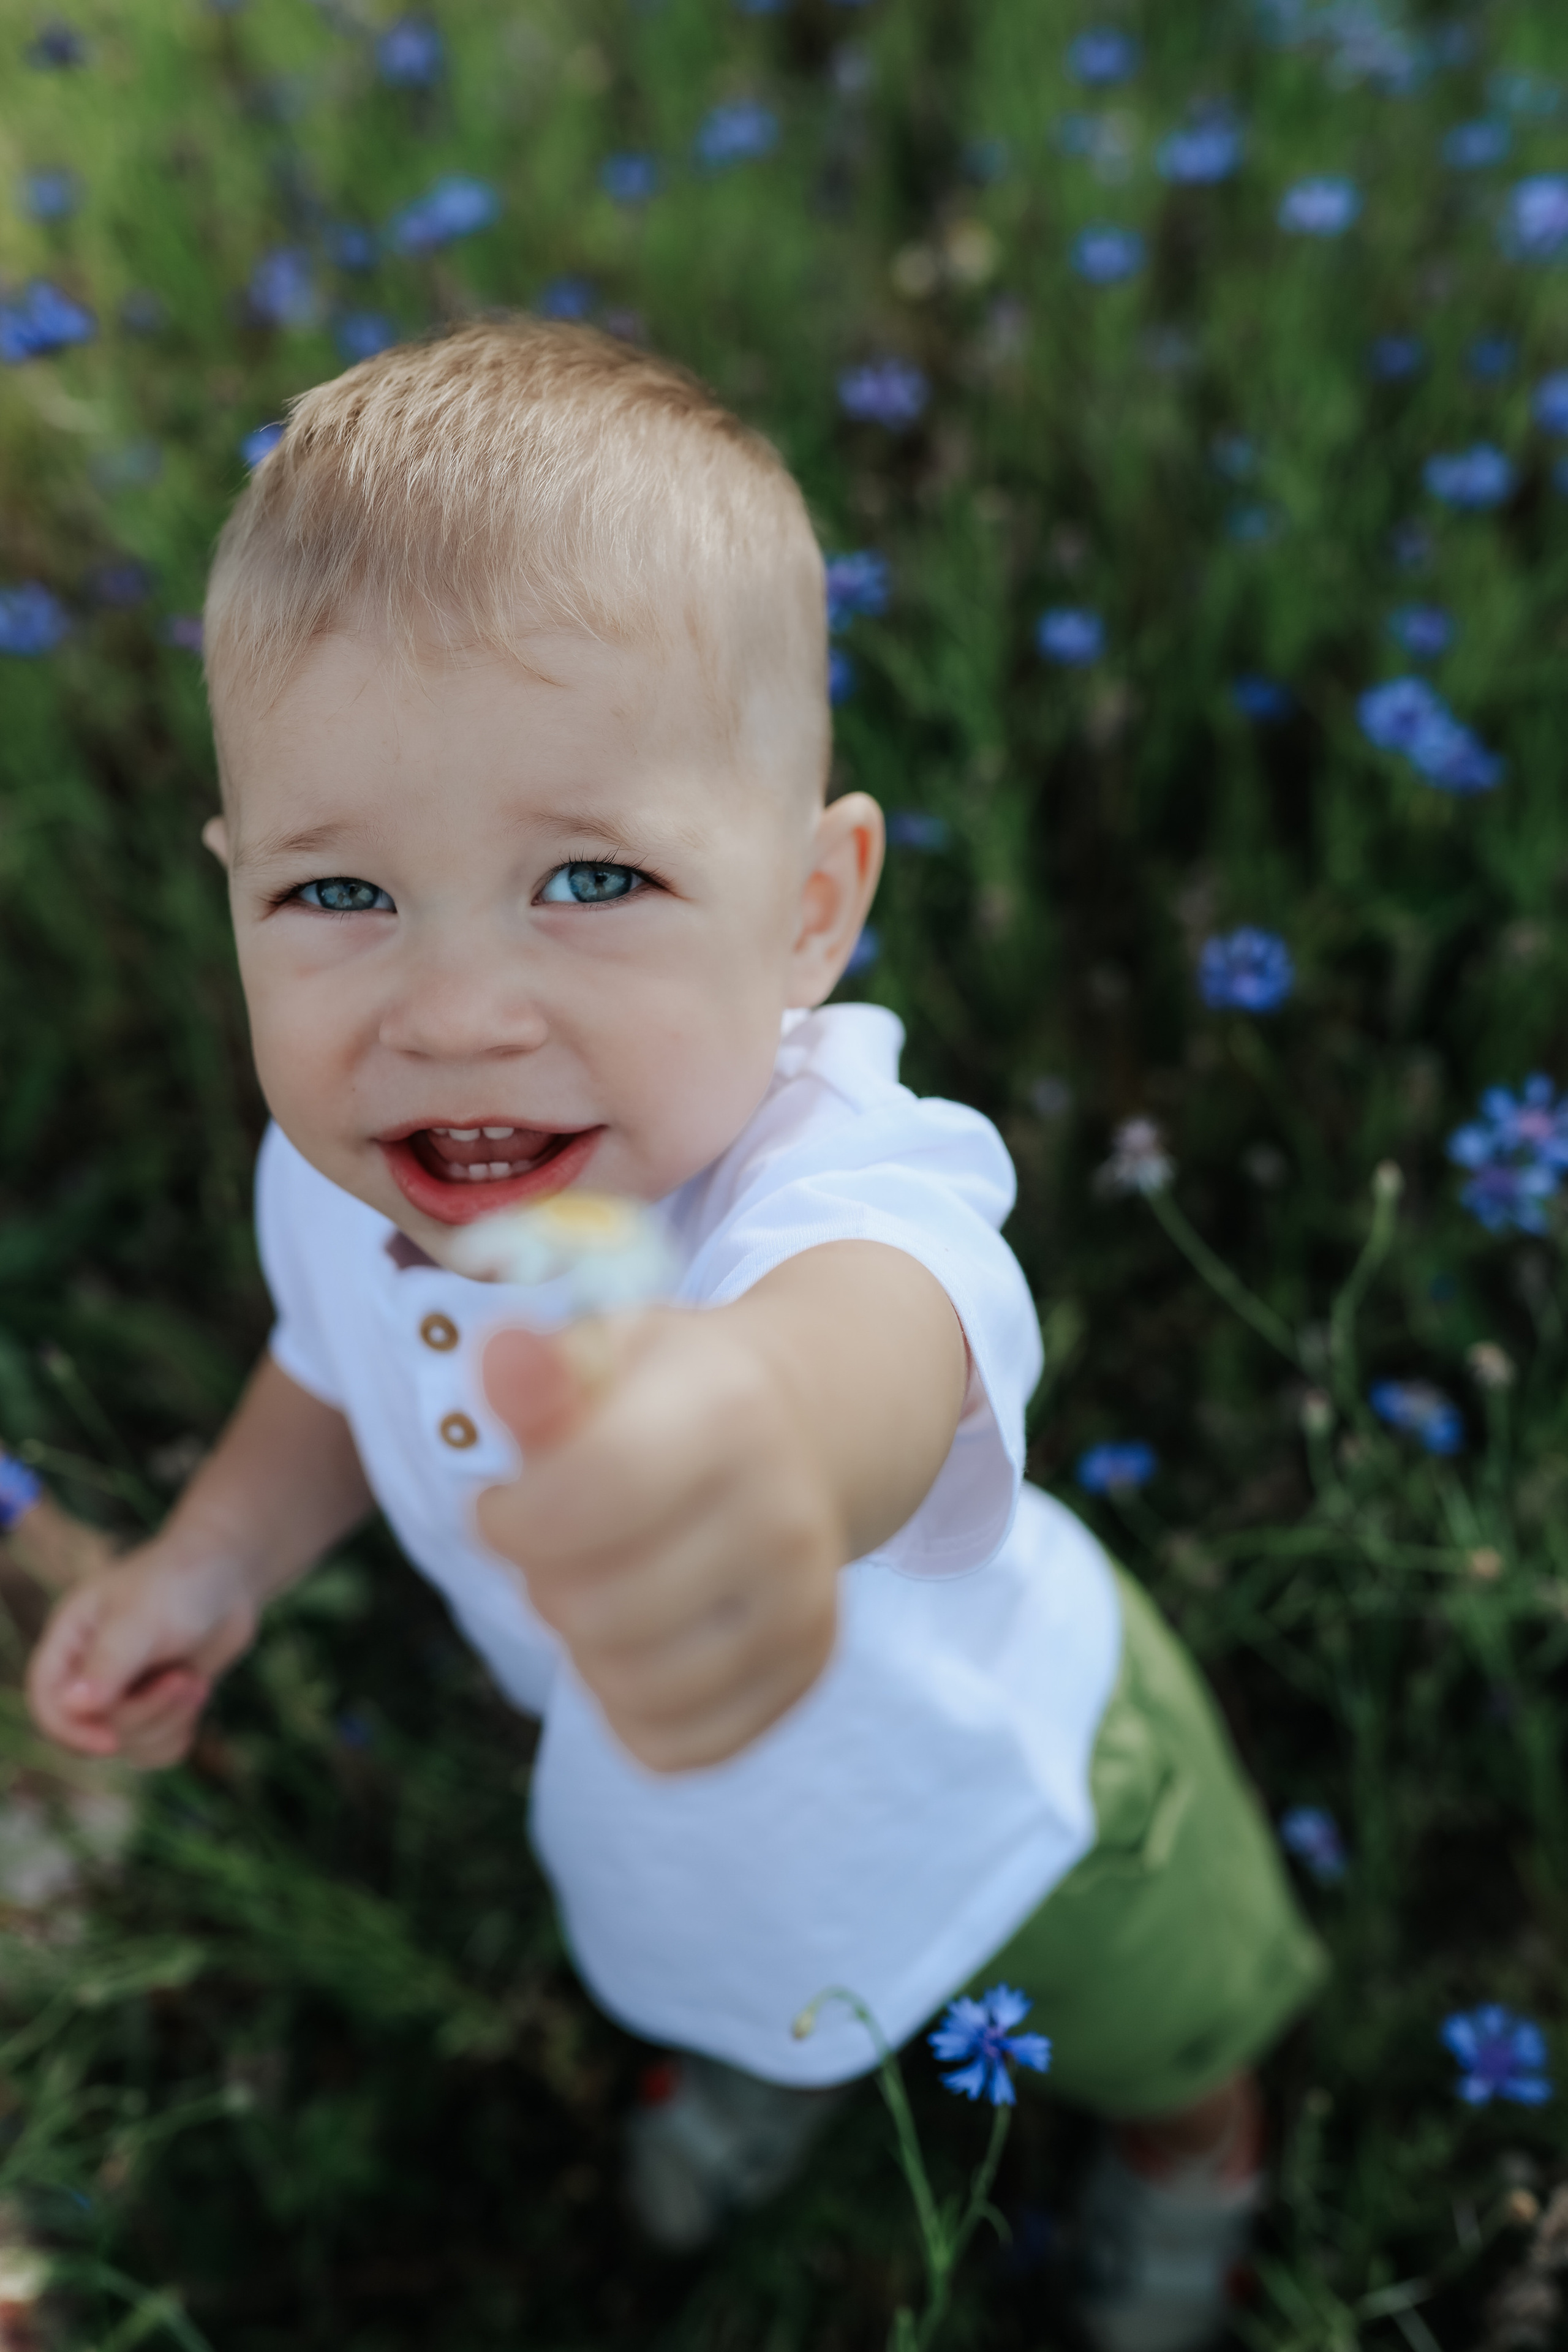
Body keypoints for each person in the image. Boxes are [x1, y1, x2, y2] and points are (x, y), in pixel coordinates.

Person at [24, 321, 1324, 2351]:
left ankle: (1195, 2162)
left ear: (811, 909)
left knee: (1163, 2031)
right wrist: (211, 1555)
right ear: (232, 891)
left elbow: (865, 1354)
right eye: (339, 892)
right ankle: (774, 2055)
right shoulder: (358, 1175)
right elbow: (330, 1372)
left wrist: (753, 1440)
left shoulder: (845, 1181)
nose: (450, 1008)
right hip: (681, 1828)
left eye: (592, 877)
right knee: (758, 1965)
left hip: (1030, 1802)